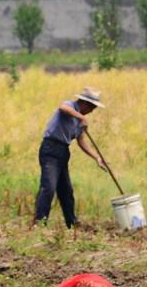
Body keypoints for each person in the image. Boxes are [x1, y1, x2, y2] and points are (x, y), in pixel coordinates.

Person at [31, 87, 108, 229]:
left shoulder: (79, 122)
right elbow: (62, 108)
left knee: (66, 190)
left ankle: (72, 223)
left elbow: (81, 141)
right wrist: (81, 117)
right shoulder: (70, 106)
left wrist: (97, 158)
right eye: (91, 108)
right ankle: (39, 222)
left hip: (63, 152)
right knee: (49, 187)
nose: (91, 112)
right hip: (50, 149)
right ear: (84, 103)